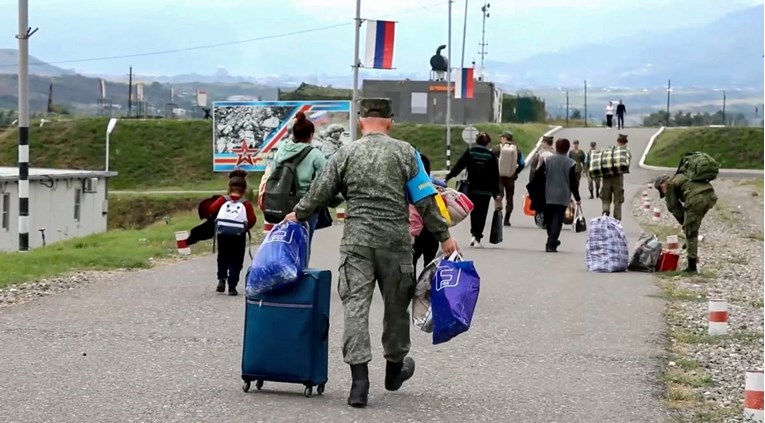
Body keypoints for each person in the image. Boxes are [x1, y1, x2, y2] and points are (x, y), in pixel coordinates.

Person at [284, 98, 458, 408]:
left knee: (356, 308)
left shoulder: (346, 153)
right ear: (390, 122)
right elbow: (425, 197)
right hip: (396, 243)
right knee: (396, 308)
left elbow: (320, 192)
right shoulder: (407, 153)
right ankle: (394, 370)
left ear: (361, 122)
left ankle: (359, 383)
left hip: (357, 244)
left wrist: (296, 215)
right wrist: (444, 236)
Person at [270, 111, 327, 259]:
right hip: (305, 205)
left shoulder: (281, 150)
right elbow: (326, 179)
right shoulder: (315, 154)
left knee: (284, 242)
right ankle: (301, 275)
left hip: (282, 202)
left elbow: (273, 173)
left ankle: (283, 273)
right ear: (311, 135)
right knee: (303, 244)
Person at [205, 170, 257, 296]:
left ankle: (221, 279)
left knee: (222, 257)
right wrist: (244, 228)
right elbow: (252, 220)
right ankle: (232, 287)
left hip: (223, 233)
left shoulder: (223, 200)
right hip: (238, 235)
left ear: (229, 187)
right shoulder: (246, 203)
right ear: (244, 189)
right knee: (236, 259)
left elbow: (210, 209)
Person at [445, 132, 501, 248]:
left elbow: (459, 166)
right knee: (483, 213)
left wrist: (448, 177)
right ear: (488, 143)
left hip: (472, 189)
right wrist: (496, 193)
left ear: (477, 141)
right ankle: (478, 237)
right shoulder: (491, 156)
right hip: (485, 191)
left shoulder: (470, 153)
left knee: (474, 212)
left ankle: (473, 234)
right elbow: (495, 176)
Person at [654, 174, 717, 273]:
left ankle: (692, 268)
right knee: (692, 227)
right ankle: (689, 245)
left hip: (696, 199)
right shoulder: (680, 176)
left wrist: (685, 225)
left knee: (690, 231)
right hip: (710, 196)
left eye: (661, 191)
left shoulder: (669, 185)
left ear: (662, 185)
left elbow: (673, 206)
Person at [534, 138, 581, 252]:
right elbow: (573, 182)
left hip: (548, 193)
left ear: (556, 147)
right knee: (558, 220)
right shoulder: (571, 163)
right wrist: (577, 198)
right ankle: (551, 244)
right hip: (563, 194)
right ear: (567, 148)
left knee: (549, 220)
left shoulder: (548, 160)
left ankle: (551, 240)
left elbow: (537, 174)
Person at [411, 153, 440, 274]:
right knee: (430, 267)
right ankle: (426, 290)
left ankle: (412, 291)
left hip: (414, 235)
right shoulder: (433, 188)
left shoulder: (408, 189)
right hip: (432, 233)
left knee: (410, 267)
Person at [492, 130, 524, 226]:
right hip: (511, 178)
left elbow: (490, 161)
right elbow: (522, 163)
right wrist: (515, 172)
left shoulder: (497, 149)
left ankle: (498, 215)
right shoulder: (516, 150)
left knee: (499, 196)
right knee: (510, 198)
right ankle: (507, 219)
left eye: (502, 137)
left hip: (499, 177)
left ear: (505, 138)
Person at [601, 134, 631, 220]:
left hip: (606, 177)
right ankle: (616, 220)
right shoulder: (625, 151)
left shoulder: (610, 150)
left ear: (618, 141)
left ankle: (605, 215)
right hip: (618, 178)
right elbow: (626, 164)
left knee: (605, 198)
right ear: (626, 142)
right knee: (618, 200)